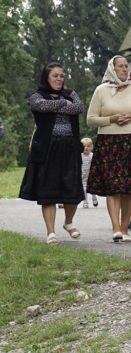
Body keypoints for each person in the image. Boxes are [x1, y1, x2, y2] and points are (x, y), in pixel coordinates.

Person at [19, 63, 85, 244]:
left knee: (72, 189)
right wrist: (63, 103)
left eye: (61, 76)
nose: (59, 79)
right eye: (55, 76)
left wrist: (54, 106)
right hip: (47, 149)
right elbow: (40, 107)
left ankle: (69, 222)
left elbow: (78, 108)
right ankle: (51, 232)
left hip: (70, 148)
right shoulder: (37, 96)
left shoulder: (71, 93)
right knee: (48, 191)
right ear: (46, 78)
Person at [87, 55, 131, 243]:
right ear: (112, 69)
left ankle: (125, 229)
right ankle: (115, 227)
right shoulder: (101, 90)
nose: (125, 69)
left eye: (126, 66)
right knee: (113, 188)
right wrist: (111, 119)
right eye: (120, 66)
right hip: (110, 142)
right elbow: (90, 119)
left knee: (130, 189)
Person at [80, 138, 99, 208]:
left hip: (91, 175)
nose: (86, 148)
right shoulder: (80, 156)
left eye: (88, 146)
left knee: (92, 188)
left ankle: (94, 198)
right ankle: (85, 201)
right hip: (82, 175)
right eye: (84, 146)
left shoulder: (92, 156)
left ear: (91, 147)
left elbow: (96, 164)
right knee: (84, 189)